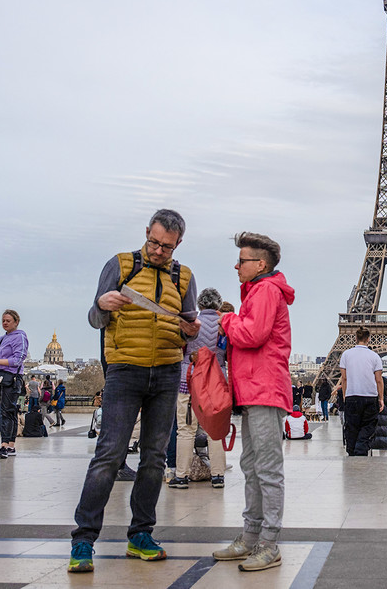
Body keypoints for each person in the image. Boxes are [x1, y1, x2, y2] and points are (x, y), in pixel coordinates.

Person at [69, 209, 200, 573]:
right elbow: (95, 319)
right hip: (125, 370)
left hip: (167, 372)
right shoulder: (120, 265)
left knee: (154, 458)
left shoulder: (184, 276)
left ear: (178, 244)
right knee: (109, 454)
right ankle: (83, 539)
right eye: (153, 242)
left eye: (166, 247)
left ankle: (141, 533)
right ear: (146, 232)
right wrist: (101, 305)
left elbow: (190, 327)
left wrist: (191, 331)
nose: (158, 251)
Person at [212, 231, 294, 573]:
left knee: (266, 469)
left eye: (241, 260)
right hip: (254, 390)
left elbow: (252, 334)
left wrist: (227, 319)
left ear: (260, 264)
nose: (236, 266)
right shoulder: (259, 291)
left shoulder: (265, 291)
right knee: (252, 466)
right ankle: (251, 536)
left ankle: (269, 543)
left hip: (264, 389)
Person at [169, 287, 227, 489]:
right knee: (215, 431)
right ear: (219, 304)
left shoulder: (192, 324)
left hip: (190, 380)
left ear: (199, 304)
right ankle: (218, 475)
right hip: (216, 382)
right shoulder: (224, 325)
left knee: (185, 430)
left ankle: (181, 475)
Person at [332, 327, 383, 457]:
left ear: (355, 338)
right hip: (370, 397)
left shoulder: (346, 354)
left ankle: (352, 451)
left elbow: (344, 378)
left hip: (352, 396)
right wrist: (381, 399)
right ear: (368, 339)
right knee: (368, 426)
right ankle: (361, 449)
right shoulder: (374, 356)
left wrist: (345, 396)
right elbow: (379, 380)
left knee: (351, 427)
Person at [0, 310, 29, 458]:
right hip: (0, 377)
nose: (5, 323)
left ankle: (4, 445)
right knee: (9, 410)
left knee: (6, 411)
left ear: (16, 322)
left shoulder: (20, 337)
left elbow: (18, 359)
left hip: (12, 377)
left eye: (8, 320)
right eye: (3, 320)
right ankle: (10, 445)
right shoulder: (0, 339)